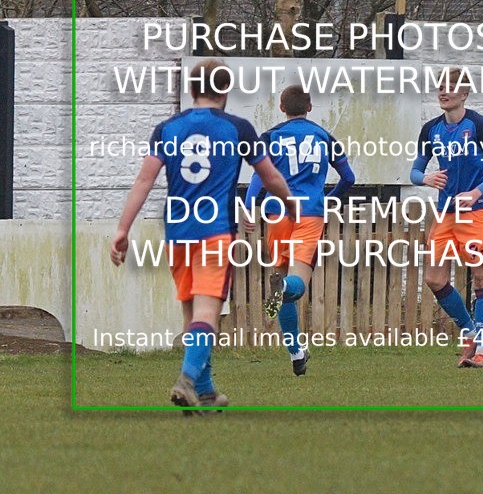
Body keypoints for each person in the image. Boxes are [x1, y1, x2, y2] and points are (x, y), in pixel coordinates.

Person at [109, 59, 294, 411]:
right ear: (225, 90)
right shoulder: (238, 128)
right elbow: (269, 176)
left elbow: (144, 181)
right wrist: (290, 203)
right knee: (207, 313)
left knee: (191, 313)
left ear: (192, 89)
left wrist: (122, 229)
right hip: (215, 232)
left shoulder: (167, 129)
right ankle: (187, 380)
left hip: (177, 232)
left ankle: (205, 391)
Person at [244, 85, 355, 375]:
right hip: (309, 213)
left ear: (281, 108)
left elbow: (260, 177)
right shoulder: (324, 137)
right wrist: (328, 198)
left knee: (282, 278)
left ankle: (296, 353)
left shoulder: (271, 136)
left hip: (277, 212)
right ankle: (283, 289)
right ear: (309, 107)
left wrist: (248, 206)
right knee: (296, 284)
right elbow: (349, 177)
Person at [410, 67, 483, 368]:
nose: (444, 91)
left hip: (476, 213)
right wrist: (424, 178)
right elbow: (414, 171)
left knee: (481, 277)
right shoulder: (430, 130)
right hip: (445, 214)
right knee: (434, 278)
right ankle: (469, 331)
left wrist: (477, 192)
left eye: (451, 87)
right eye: (441, 86)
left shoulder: (479, 126)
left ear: (464, 94)